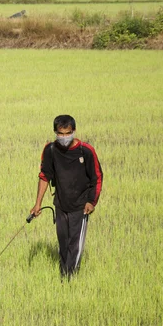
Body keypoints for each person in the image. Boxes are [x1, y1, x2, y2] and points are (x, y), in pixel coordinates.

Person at [30, 115, 103, 278]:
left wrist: (92, 202)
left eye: (67, 133)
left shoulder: (86, 151)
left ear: (74, 131)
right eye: (60, 134)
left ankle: (70, 279)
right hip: (61, 204)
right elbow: (44, 176)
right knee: (63, 243)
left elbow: (97, 177)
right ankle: (64, 275)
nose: (64, 137)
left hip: (81, 206)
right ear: (55, 132)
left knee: (74, 245)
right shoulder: (50, 150)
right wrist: (37, 204)